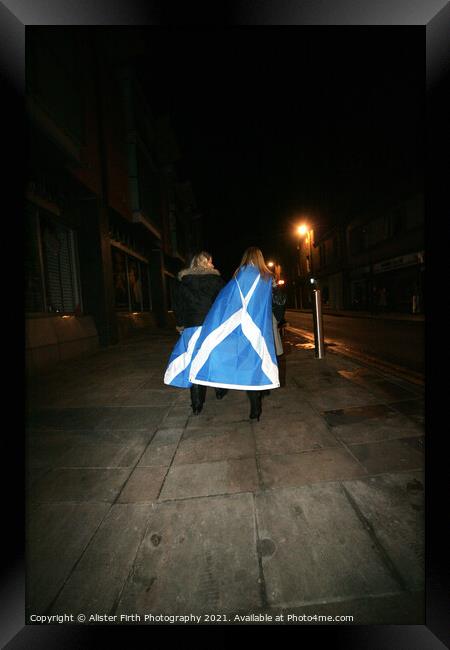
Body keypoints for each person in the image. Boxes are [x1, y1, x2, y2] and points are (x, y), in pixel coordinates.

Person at [188, 246, 280, 421]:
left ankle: (218, 392)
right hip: (261, 329)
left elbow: (226, 300)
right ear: (260, 258)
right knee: (256, 363)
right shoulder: (268, 277)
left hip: (242, 327)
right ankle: (255, 409)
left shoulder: (239, 275)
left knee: (245, 363)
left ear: (245, 258)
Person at [164, 251, 226, 414]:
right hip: (211, 327)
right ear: (206, 262)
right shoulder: (216, 281)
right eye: (211, 261)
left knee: (194, 362)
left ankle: (197, 405)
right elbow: (223, 304)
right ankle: (219, 391)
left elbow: (178, 306)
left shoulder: (184, 282)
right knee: (213, 358)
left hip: (191, 327)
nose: (213, 265)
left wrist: (180, 324)